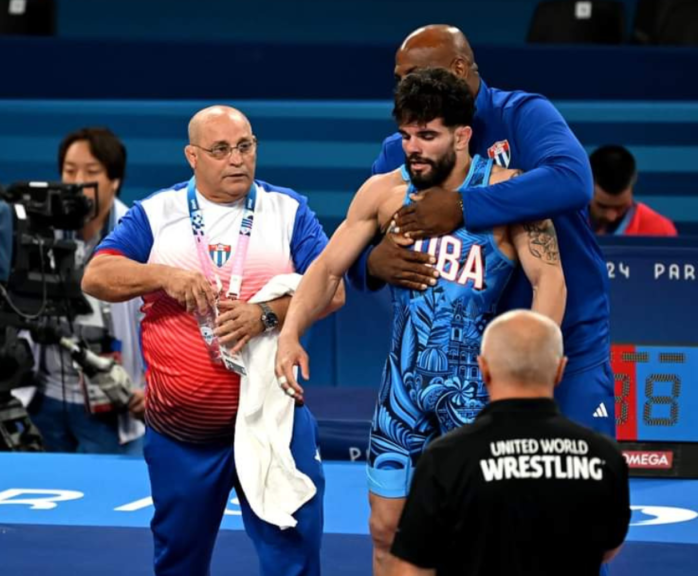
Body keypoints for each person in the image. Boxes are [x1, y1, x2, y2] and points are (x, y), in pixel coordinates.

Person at [276, 69, 567, 575]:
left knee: (481, 532)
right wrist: (289, 333)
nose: (413, 148)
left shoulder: (507, 195)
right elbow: (326, 268)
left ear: (462, 135)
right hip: (401, 392)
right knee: (385, 528)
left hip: (477, 393)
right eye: (407, 135)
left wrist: (532, 383)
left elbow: (550, 281)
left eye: (427, 136)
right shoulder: (384, 192)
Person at [82, 105, 344, 576]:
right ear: (192, 156)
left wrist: (266, 315)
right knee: (179, 562)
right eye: (220, 150)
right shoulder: (157, 214)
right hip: (184, 435)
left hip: (274, 425)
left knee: (295, 559)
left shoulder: (287, 211)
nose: (236, 159)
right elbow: (96, 276)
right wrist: (161, 276)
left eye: (245, 147)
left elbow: (333, 288)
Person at [347, 25, 614, 438]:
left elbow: (573, 181)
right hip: (464, 371)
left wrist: (463, 207)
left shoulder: (523, 114)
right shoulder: (401, 151)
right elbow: (356, 246)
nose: (403, 88)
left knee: (576, 493)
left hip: (563, 347)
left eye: (412, 76)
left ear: (458, 68)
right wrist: (370, 264)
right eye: (400, 81)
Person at [389, 310, 631, 576]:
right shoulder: (603, 455)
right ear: (560, 370)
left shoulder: (445, 458)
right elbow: (608, 548)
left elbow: (410, 566)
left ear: (484, 369)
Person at [28, 127, 146, 455]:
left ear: (114, 180)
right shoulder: (39, 230)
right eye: (69, 171)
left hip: (111, 403)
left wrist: (153, 386)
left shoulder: (141, 234)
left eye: (91, 172)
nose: (78, 180)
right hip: (44, 401)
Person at [589, 144, 677, 236]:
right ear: (586, 186)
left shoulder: (661, 230)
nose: (611, 217)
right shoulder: (572, 227)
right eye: (602, 206)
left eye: (620, 207)